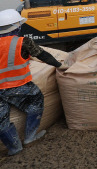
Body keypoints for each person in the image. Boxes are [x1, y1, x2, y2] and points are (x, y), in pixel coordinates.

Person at [0, 9, 62, 156]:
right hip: (18, 86)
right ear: (17, 27)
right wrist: (59, 65)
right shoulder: (23, 42)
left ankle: (14, 148)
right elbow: (43, 55)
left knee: (1, 120)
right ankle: (30, 137)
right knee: (37, 100)